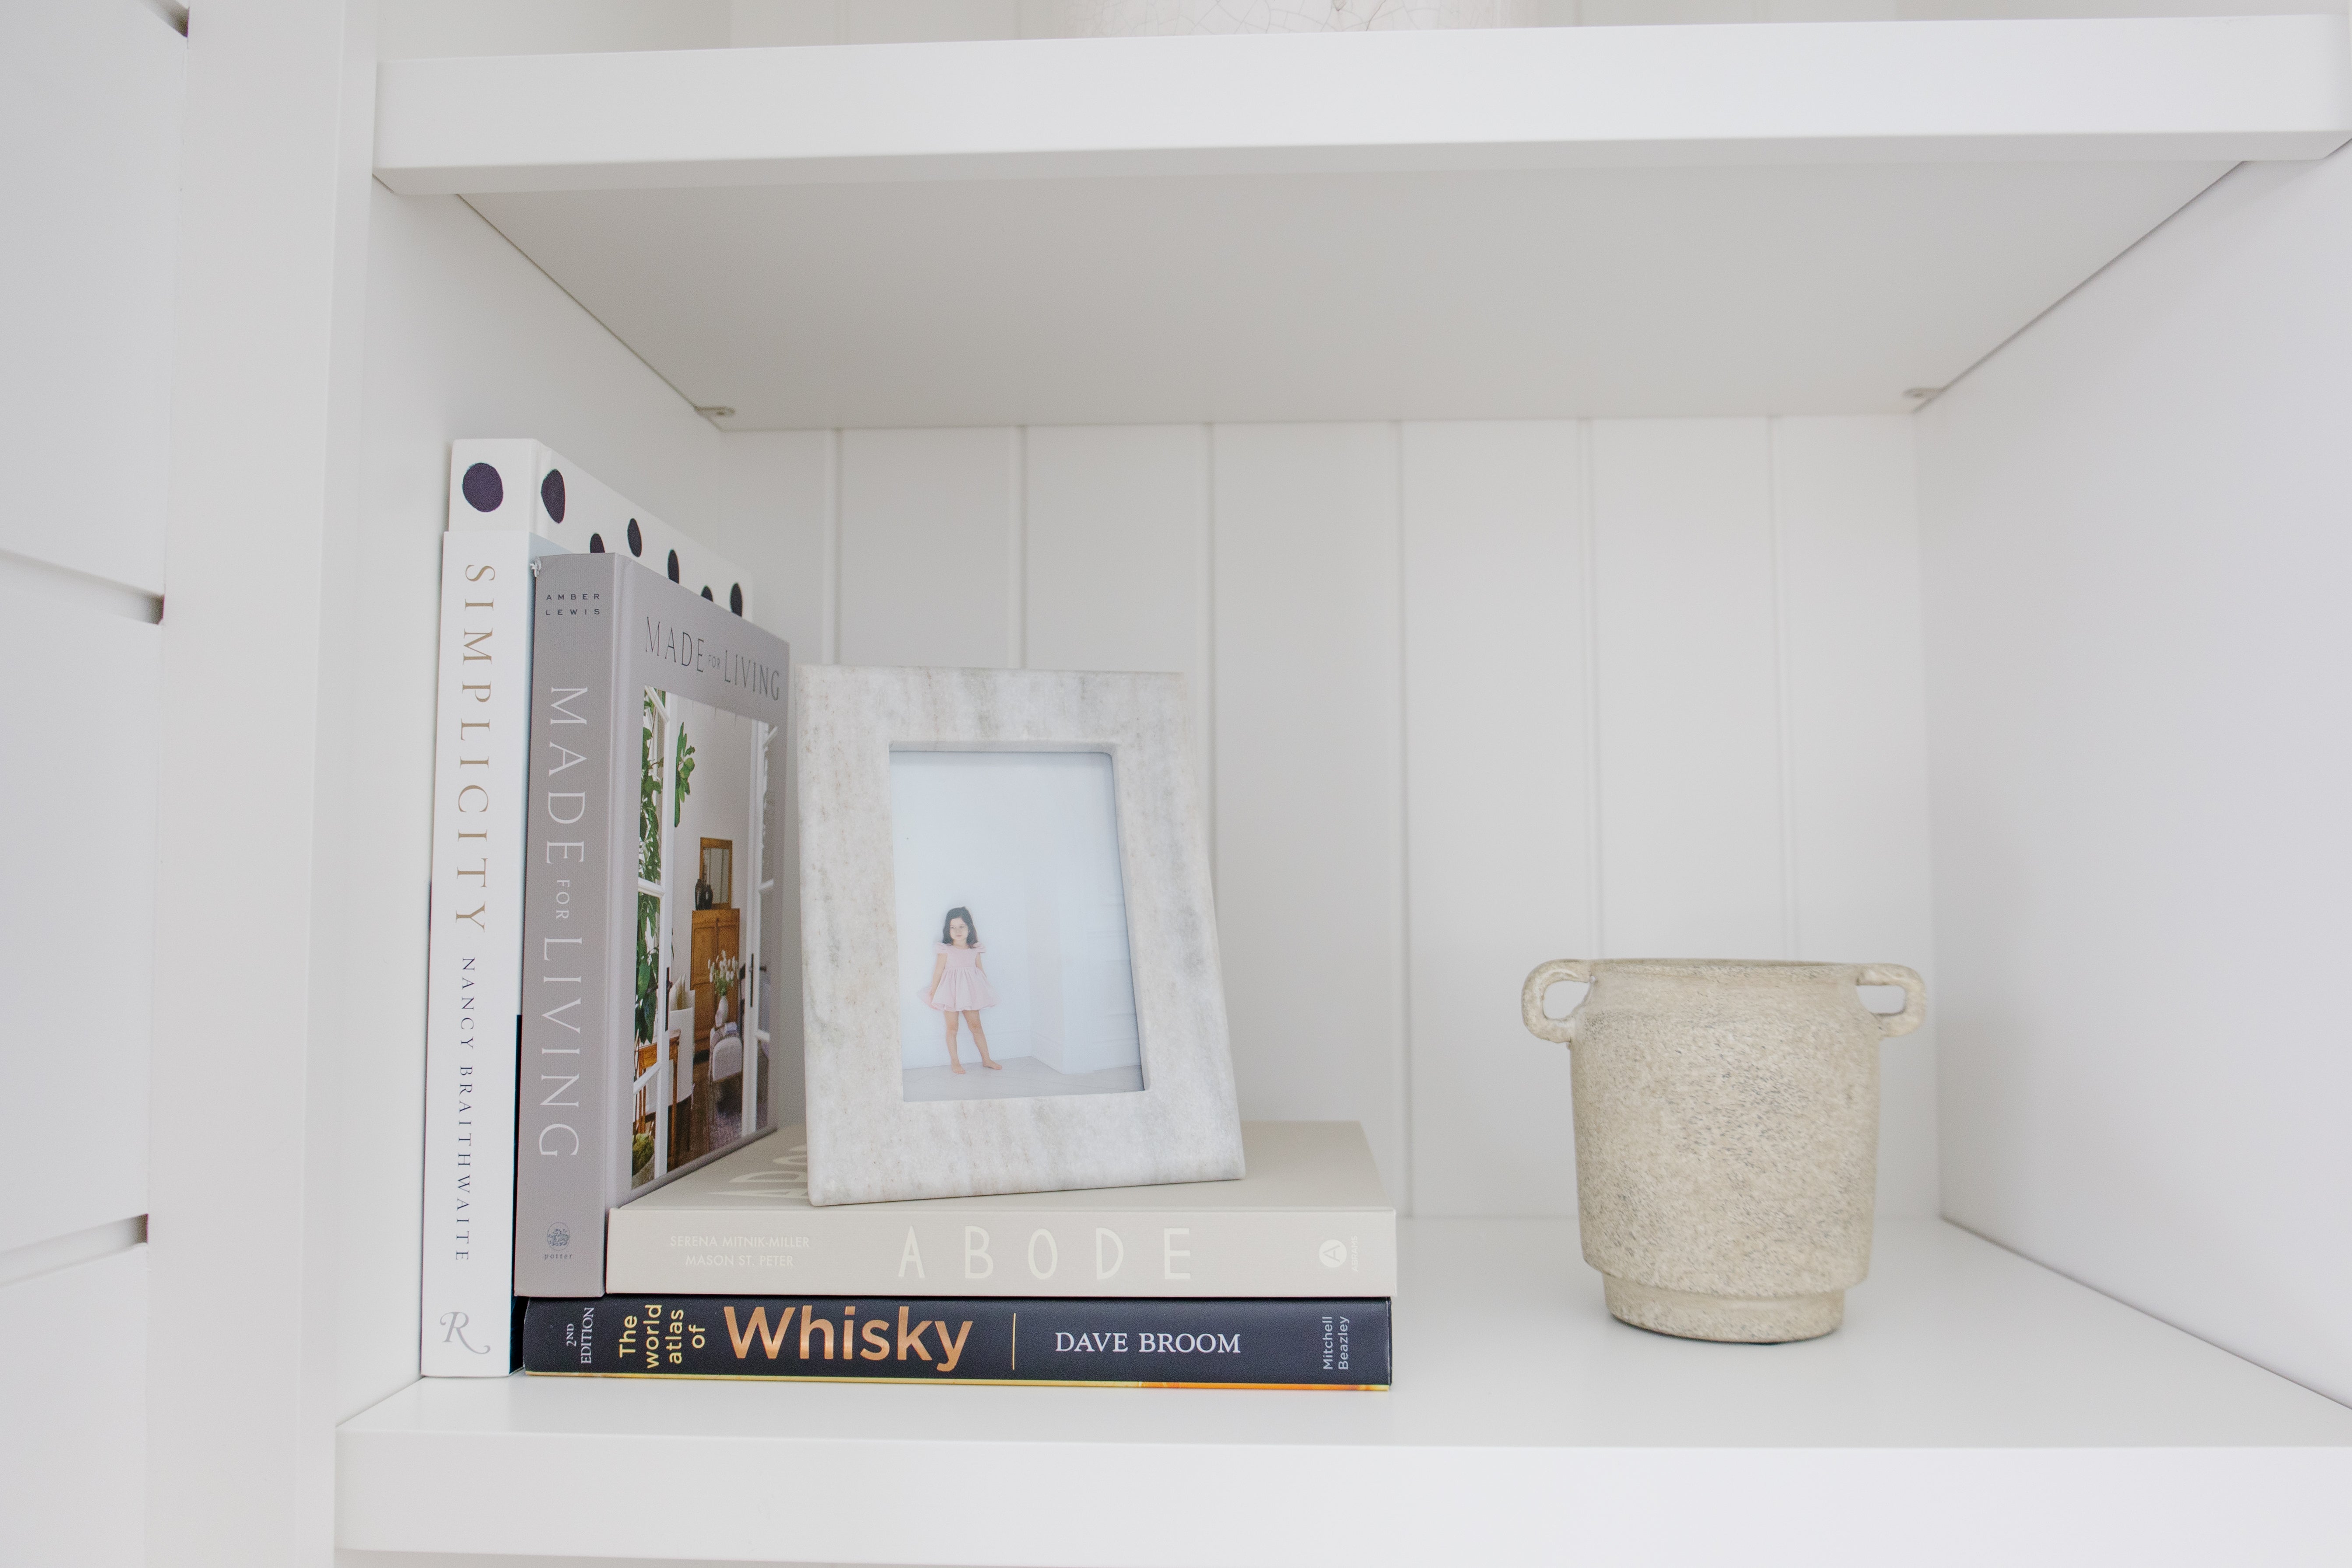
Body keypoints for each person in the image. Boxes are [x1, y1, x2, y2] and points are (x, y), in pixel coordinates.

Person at [923, 906, 1001, 1074]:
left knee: (976, 1027)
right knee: (952, 1028)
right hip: (950, 993)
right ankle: (955, 1062)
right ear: (948, 929)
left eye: (962, 927)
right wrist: (935, 991)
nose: (958, 931)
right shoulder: (945, 949)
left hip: (970, 993)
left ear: (970, 929)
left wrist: (984, 991)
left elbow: (980, 971)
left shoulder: (975, 949)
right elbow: (938, 971)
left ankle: (987, 1059)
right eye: (953, 927)